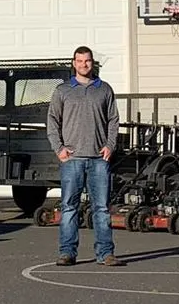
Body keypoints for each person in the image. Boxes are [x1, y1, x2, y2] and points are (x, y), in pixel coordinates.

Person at [46, 45, 122, 266]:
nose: (84, 65)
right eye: (79, 61)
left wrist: (110, 145)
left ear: (92, 63)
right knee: (69, 207)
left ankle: (105, 254)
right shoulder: (63, 90)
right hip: (72, 160)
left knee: (101, 208)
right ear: (73, 63)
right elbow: (52, 121)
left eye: (87, 61)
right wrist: (59, 149)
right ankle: (67, 253)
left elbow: (113, 121)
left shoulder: (104, 89)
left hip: (99, 159)